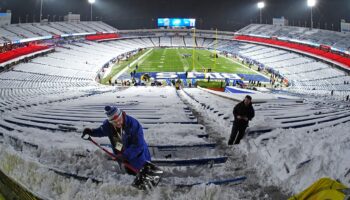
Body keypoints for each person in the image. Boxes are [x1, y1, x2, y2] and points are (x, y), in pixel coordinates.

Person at [83, 106, 162, 189]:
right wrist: (91, 132)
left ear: (122, 115)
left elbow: (138, 145)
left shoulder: (133, 124)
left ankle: (155, 189)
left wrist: (125, 155)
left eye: (119, 120)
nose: (118, 123)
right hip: (121, 151)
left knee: (145, 175)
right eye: (114, 122)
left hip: (137, 154)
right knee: (130, 173)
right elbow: (101, 131)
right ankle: (136, 187)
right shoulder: (109, 126)